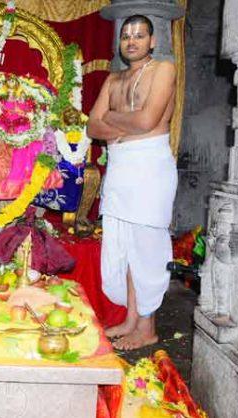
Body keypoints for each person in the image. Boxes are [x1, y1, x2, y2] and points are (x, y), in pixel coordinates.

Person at [87, 15, 178, 350]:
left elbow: (147, 119)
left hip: (149, 168)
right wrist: (124, 125)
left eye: (139, 35)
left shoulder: (163, 69)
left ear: (152, 41)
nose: (132, 41)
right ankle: (130, 320)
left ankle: (148, 327)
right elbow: (91, 128)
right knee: (123, 246)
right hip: (121, 168)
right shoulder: (114, 79)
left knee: (147, 249)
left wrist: (110, 117)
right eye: (126, 36)